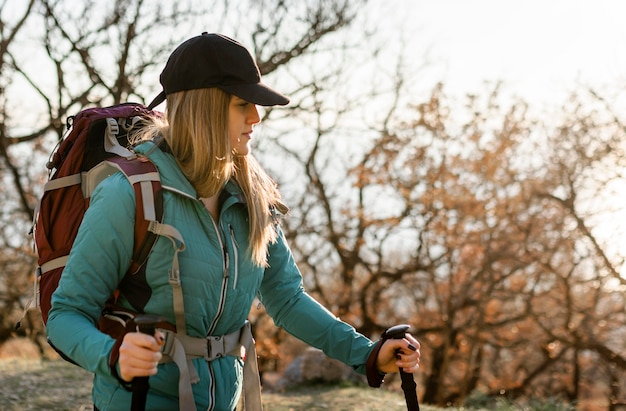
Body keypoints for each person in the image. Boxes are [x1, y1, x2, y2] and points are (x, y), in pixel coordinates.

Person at [47, 32, 420, 411]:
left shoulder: (251, 194)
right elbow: (66, 315)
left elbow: (286, 299)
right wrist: (113, 355)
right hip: (139, 401)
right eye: (243, 103)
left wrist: (368, 354)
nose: (256, 117)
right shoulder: (129, 195)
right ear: (203, 107)